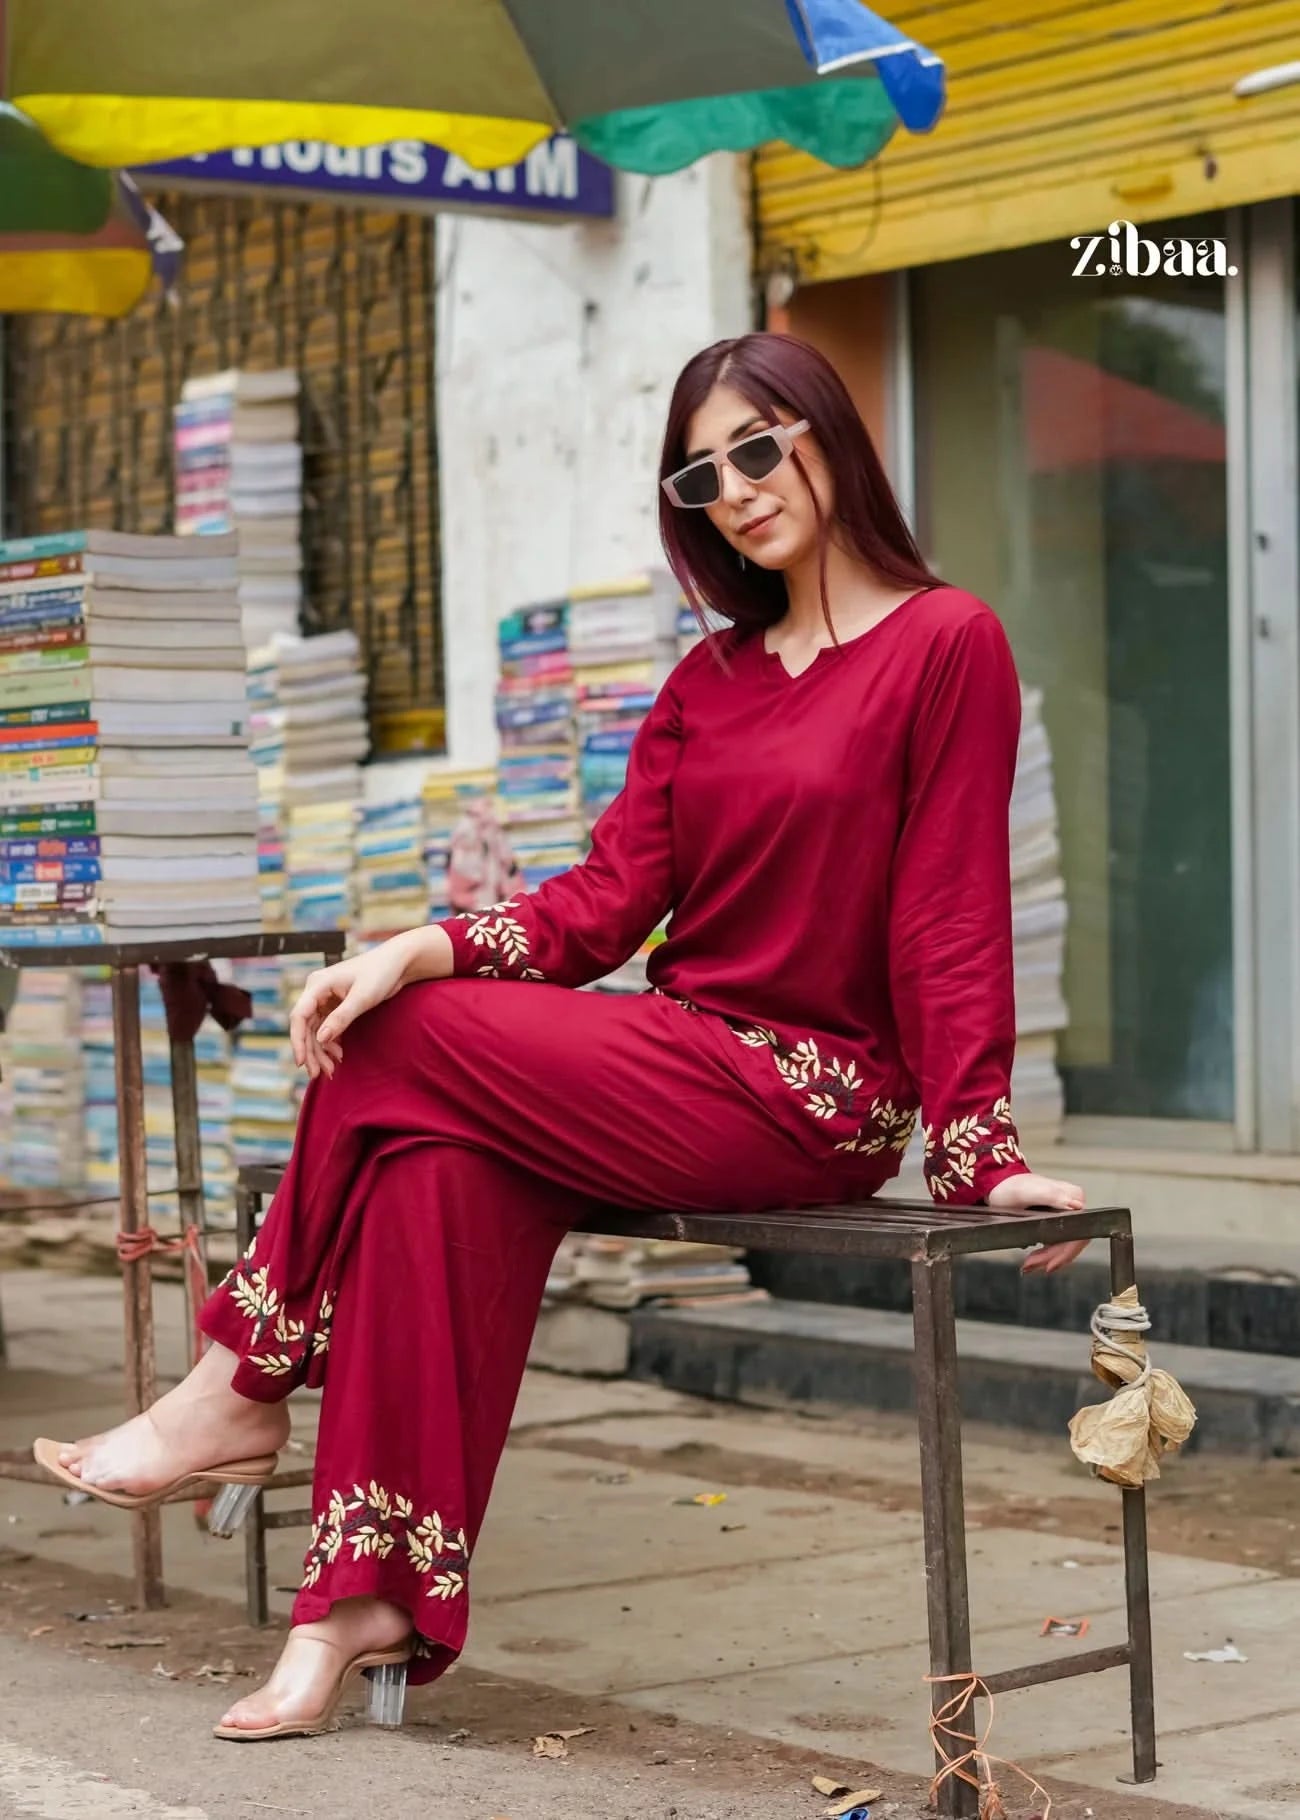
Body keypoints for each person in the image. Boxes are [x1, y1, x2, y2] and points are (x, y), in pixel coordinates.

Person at [34, 332, 1087, 1740]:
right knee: (431, 1170)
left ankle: (237, 1382)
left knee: (401, 1042)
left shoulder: (946, 643)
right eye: (702, 475)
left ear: (827, 435)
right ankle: (359, 1606)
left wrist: (983, 1152)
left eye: (759, 449)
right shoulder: (709, 682)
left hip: (811, 1098)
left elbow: (951, 911)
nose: (738, 490)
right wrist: (415, 942)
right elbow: (602, 904)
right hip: (674, 1060)